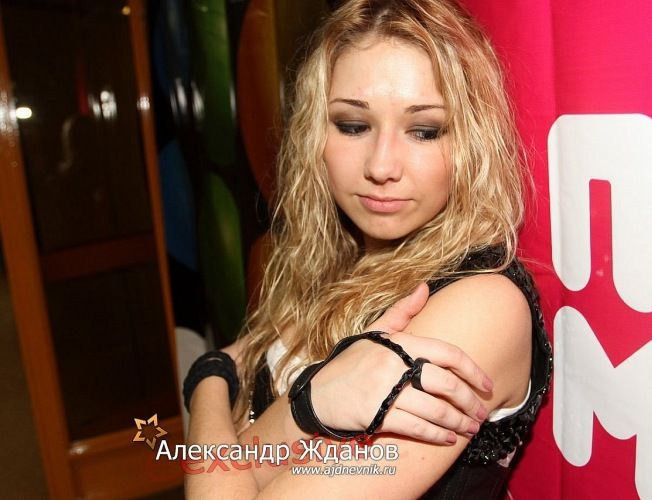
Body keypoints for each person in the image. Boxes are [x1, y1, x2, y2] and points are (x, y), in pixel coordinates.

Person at [182, 0, 552, 497]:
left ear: (472, 141)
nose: (381, 166)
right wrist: (213, 377)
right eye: (353, 125)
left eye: (424, 131)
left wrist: (251, 396)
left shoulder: (482, 305)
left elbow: (226, 459)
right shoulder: (330, 259)